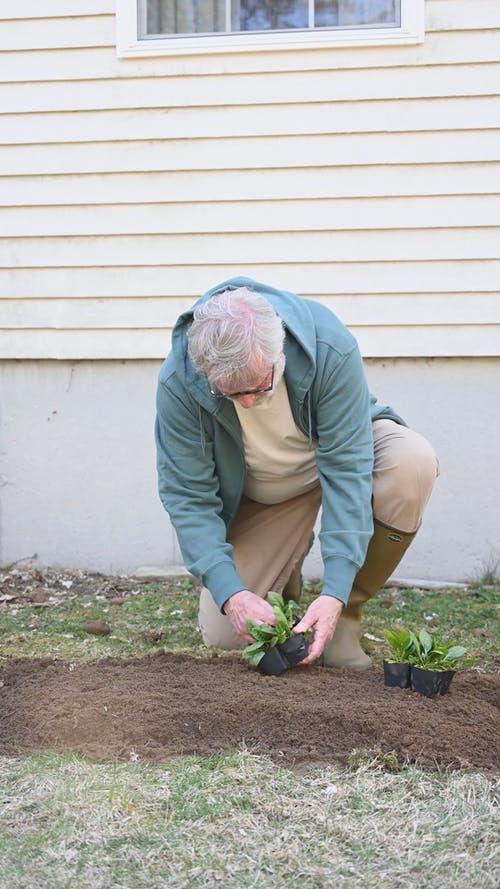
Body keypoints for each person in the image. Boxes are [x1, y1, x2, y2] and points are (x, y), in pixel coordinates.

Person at [155, 276, 439, 667]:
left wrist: (335, 592)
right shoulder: (180, 382)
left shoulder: (327, 345)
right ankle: (286, 577)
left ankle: (343, 617)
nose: (250, 402)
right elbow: (188, 497)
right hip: (266, 491)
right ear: (205, 372)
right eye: (233, 394)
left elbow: (347, 467)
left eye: (259, 385)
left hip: (334, 455)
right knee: (225, 635)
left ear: (279, 350)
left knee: (413, 461)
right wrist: (232, 594)